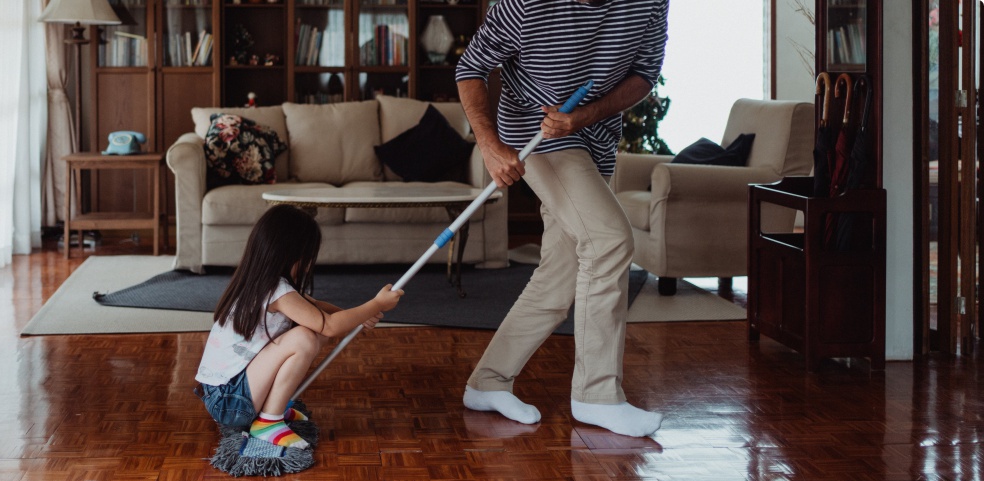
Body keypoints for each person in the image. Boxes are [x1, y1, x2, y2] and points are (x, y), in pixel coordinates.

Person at [455, 0, 669, 437]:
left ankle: (488, 380)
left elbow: (645, 74)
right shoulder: (526, 5)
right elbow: (471, 68)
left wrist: (586, 116)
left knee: (561, 268)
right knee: (609, 240)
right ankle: (597, 395)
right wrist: (491, 146)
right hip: (534, 134)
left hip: (594, 136)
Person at [195, 205, 404, 448]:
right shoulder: (277, 291)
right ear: (291, 252)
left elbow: (317, 308)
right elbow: (329, 326)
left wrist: (360, 316)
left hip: (226, 394)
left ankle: (269, 407)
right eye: (307, 255)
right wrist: (375, 304)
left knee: (311, 328)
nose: (309, 264)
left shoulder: (261, 281)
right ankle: (268, 421)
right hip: (230, 401)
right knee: (305, 336)